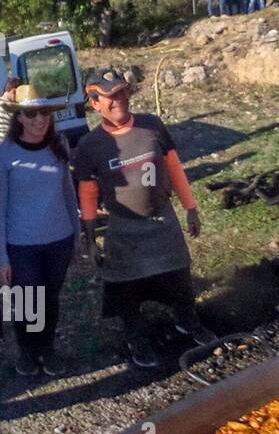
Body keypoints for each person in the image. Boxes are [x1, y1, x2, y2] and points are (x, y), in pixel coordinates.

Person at [74, 70, 207, 370]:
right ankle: (136, 338)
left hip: (163, 221)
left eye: (121, 93)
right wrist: (91, 236)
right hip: (124, 227)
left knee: (179, 276)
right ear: (95, 104)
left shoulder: (151, 125)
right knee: (126, 288)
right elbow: (88, 193)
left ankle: (189, 323)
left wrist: (191, 207)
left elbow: (173, 166)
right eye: (109, 96)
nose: (117, 100)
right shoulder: (90, 146)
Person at [2, 84, 84, 377]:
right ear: (19, 117)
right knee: (26, 302)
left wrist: (77, 236)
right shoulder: (5, 154)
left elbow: (68, 195)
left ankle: (46, 348)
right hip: (21, 245)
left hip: (59, 241)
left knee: (49, 298)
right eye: (31, 113)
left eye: (44, 112)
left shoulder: (58, 145)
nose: (39, 119)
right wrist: (2, 257)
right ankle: (27, 350)